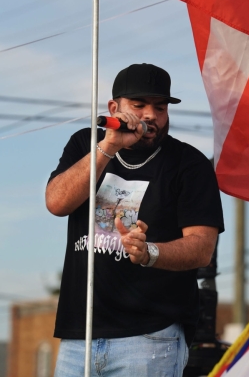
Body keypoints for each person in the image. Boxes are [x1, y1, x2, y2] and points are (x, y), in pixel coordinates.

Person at [46, 63, 224, 377]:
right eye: (138, 105)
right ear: (114, 108)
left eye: (159, 107)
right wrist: (109, 147)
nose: (150, 115)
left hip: (149, 337)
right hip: (80, 335)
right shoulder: (85, 145)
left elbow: (201, 248)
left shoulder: (189, 164)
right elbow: (57, 202)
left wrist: (149, 253)